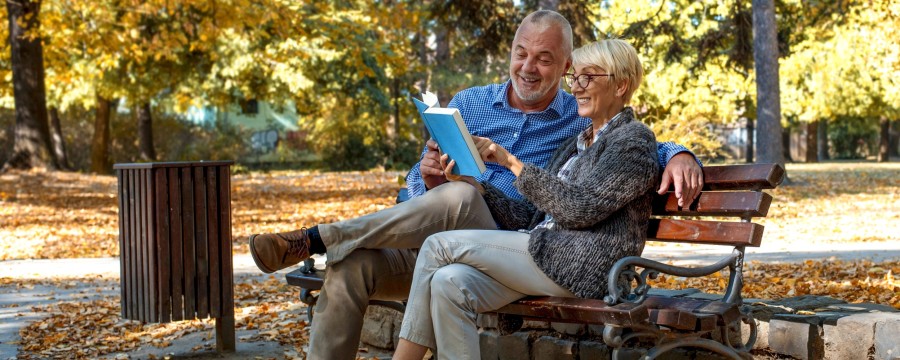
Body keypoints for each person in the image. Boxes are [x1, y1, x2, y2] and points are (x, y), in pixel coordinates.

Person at [248, 11, 702, 359]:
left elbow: (631, 147)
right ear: (510, 52)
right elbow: (412, 190)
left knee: (465, 194)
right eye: (522, 53)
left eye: (546, 60)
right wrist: (423, 178)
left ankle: (315, 238)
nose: (529, 67)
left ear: (563, 66)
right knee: (351, 265)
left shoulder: (575, 113)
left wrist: (680, 152)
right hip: (437, 229)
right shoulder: (469, 103)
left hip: (506, 245)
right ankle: (331, 244)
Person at [393, 38, 657, 360]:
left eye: (589, 77)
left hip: (583, 267)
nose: (576, 87)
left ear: (621, 85)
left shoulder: (633, 140)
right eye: (575, 78)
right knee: (450, 282)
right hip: (545, 254)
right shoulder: (578, 143)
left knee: (439, 246)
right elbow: (530, 217)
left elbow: (578, 209)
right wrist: (476, 187)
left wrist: (510, 162)